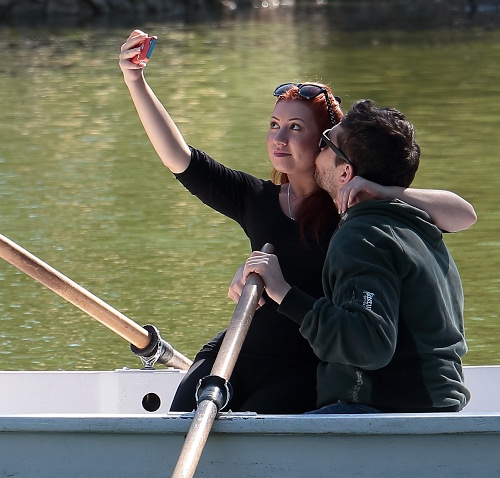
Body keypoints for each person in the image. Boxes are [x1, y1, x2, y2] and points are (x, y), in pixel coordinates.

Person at [119, 30, 476, 413]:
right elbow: (180, 158)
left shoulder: (352, 211)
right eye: (274, 124)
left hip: (303, 367)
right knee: (177, 420)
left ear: (325, 143)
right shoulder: (255, 197)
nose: (279, 138)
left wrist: (381, 190)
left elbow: (463, 214)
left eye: (295, 128)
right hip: (239, 348)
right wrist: (135, 80)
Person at [242, 100, 470, 413]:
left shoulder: (362, 236)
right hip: (436, 405)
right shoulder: (417, 224)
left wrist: (283, 292)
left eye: (325, 143)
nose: (317, 152)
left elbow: (369, 345)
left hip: (384, 411)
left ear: (345, 172)